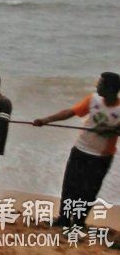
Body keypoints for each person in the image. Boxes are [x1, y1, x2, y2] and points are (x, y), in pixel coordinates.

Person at [33, 72, 120, 227]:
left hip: (102, 157)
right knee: (69, 187)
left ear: (112, 89)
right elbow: (70, 112)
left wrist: (110, 130)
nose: (97, 85)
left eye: (100, 84)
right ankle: (64, 219)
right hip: (80, 149)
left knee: (89, 192)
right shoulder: (93, 99)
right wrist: (45, 120)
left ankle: (79, 223)